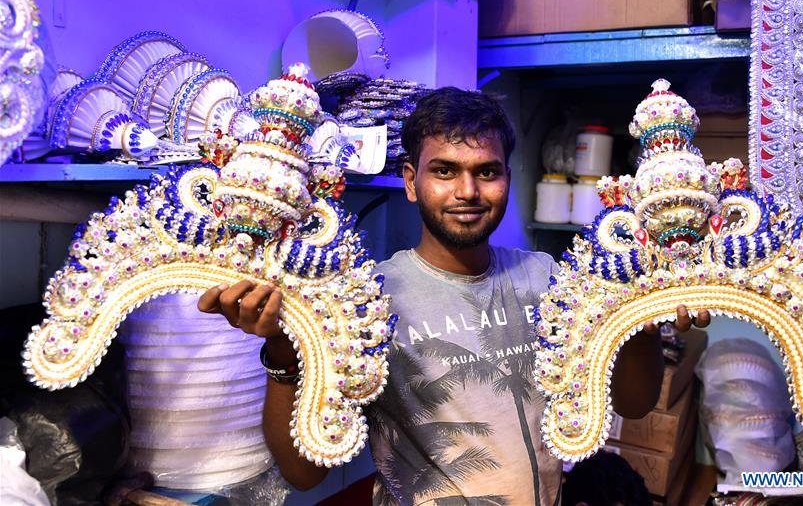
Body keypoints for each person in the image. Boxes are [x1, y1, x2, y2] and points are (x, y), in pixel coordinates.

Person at [198, 88, 710, 505]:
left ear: (507, 177)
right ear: (411, 182)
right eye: (444, 170)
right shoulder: (364, 299)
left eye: (486, 171)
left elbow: (634, 404)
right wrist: (284, 350)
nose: (467, 191)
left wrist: (642, 319)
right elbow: (303, 473)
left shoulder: (551, 279)